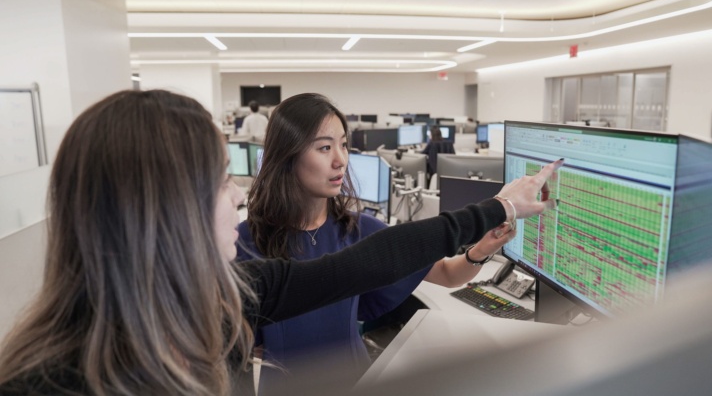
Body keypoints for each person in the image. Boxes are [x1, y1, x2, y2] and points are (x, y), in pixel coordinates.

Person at [0, 89, 562, 395]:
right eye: (221, 182)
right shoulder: (52, 382)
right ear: (164, 215)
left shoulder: (223, 298)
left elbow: (361, 266)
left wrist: (499, 211)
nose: (238, 196)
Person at [238, 93, 510, 390]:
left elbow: (447, 274)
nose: (340, 160)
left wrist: (481, 251)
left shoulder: (359, 229)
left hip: (354, 380)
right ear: (287, 156)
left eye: (343, 145)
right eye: (325, 147)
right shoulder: (245, 240)